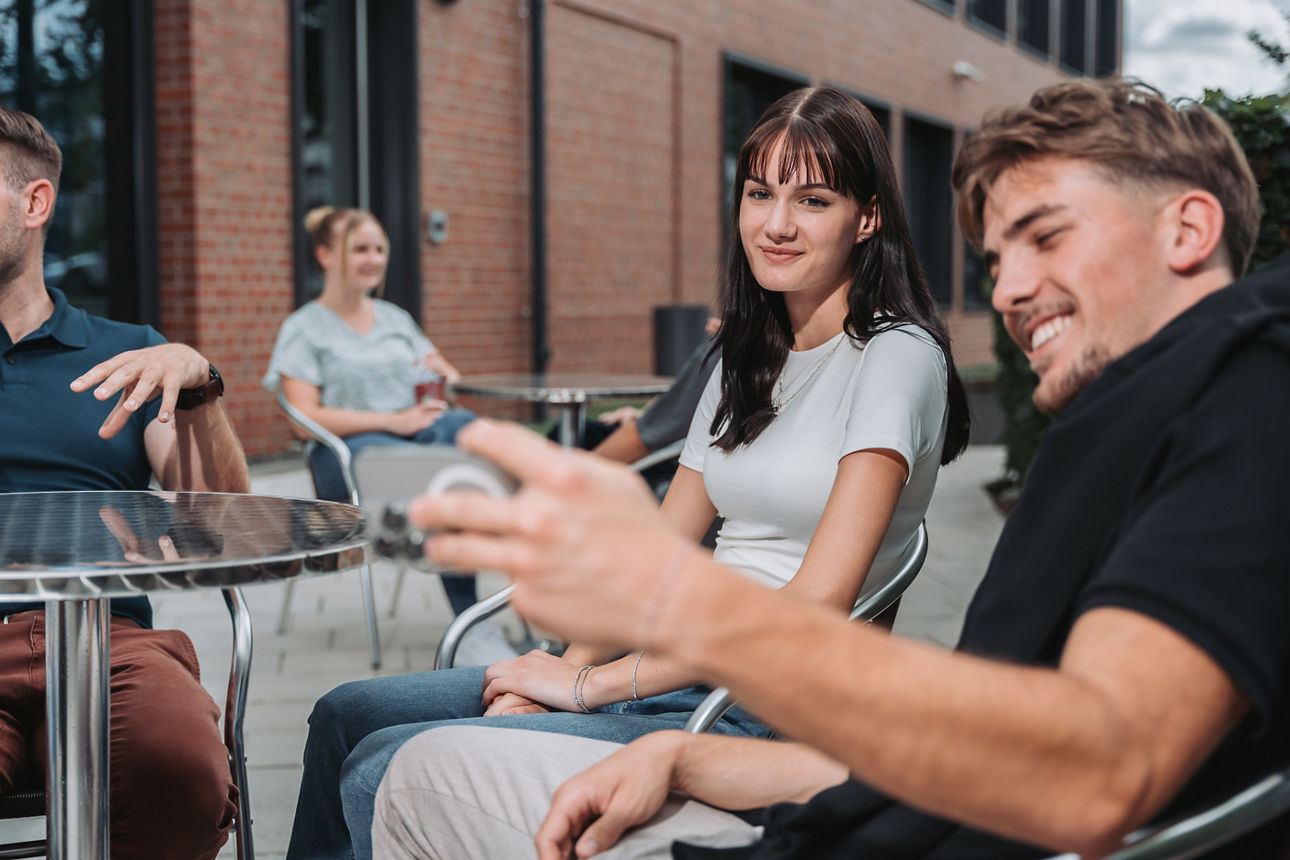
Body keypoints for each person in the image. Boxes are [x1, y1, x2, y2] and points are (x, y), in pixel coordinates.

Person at [376, 78, 1290, 860]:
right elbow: (980, 755)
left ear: (1189, 228)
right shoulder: (1134, 436)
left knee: (407, 773)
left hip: (753, 717)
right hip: (814, 787)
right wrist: (689, 760)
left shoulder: (1246, 391)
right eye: (997, 257)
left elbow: (1098, 769)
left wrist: (666, 607)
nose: (1008, 289)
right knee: (378, 736)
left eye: (1045, 237)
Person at [285, 85, 971, 860]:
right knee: (343, 715)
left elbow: (811, 609)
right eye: (759, 194)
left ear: (867, 215)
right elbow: (659, 551)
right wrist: (561, 664)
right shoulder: (744, 356)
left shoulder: (895, 356)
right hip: (667, 669)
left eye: (812, 199)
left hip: (764, 703)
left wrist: (587, 690)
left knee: (381, 768)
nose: (776, 224)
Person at [0, 107, 250, 858]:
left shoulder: (130, 356)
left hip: (113, 638)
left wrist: (199, 385)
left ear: (34, 203)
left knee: (180, 771)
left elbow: (225, 525)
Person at [262, 206, 478, 613]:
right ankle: (470, 617)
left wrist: (446, 377)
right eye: (361, 248)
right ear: (325, 255)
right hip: (348, 455)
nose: (374, 259)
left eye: (379, 249)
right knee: (442, 472)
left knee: (467, 429)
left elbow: (440, 376)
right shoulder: (304, 329)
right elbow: (303, 420)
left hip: (419, 437)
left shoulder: (395, 319)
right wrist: (394, 421)